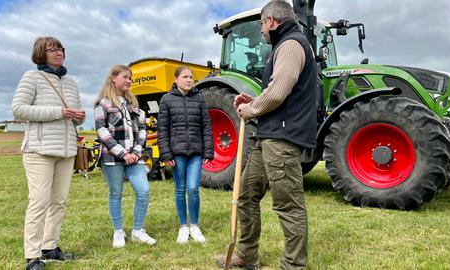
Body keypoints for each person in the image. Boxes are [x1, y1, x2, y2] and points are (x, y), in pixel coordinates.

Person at [216, 0, 317, 269]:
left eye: (262, 23)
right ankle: (247, 255)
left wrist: (250, 109)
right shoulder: (282, 47)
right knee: (247, 194)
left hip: (282, 140)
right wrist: (256, 100)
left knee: (288, 205)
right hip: (268, 137)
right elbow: (276, 93)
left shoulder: (291, 45)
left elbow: (278, 92)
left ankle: (293, 265)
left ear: (271, 21)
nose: (261, 30)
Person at [12, 36, 85, 270]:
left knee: (59, 202)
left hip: (66, 150)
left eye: (61, 48)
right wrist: (58, 112)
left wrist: (80, 117)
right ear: (40, 53)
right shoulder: (31, 77)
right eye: (52, 49)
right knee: (39, 202)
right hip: (39, 150)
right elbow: (19, 109)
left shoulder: (71, 82)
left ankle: (50, 248)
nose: (58, 52)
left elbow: (75, 115)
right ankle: (32, 256)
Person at [94, 65, 156, 248]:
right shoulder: (102, 103)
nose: (129, 80)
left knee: (143, 191)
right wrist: (122, 153)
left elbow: (143, 129)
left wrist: (136, 152)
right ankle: (118, 231)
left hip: (135, 158)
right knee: (115, 193)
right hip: (112, 158)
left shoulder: (134, 105)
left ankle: (138, 231)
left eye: (130, 78)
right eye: (125, 77)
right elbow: (101, 131)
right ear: (113, 78)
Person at [157, 65, 214, 244]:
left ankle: (194, 226)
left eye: (191, 77)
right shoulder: (166, 100)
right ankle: (183, 227)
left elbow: (206, 127)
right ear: (175, 79)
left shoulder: (199, 99)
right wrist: (166, 154)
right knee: (180, 189)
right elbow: (162, 130)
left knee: (193, 188)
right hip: (177, 153)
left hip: (196, 152)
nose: (189, 80)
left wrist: (208, 150)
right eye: (185, 77)